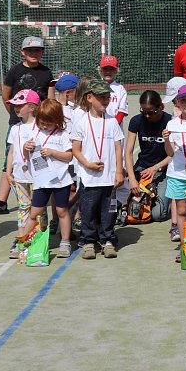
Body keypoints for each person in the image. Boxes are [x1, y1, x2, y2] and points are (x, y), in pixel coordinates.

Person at [0, 36, 53, 217]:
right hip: (18, 123)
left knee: (39, 159)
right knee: (12, 159)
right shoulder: (14, 71)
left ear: (42, 52)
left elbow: (49, 99)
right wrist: (16, 116)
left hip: (40, 124)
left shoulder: (46, 72)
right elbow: (6, 95)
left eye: (37, 50)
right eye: (30, 50)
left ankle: (39, 199)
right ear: (22, 52)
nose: (34, 53)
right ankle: (1, 202)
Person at [71, 79, 124, 260]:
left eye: (108, 97)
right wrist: (86, 164)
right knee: (88, 210)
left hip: (109, 177)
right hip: (89, 177)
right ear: (90, 98)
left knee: (108, 210)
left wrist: (118, 171)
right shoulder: (81, 123)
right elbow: (75, 150)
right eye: (102, 97)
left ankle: (108, 239)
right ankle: (88, 241)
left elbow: (118, 148)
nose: (106, 101)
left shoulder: (111, 122)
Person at [17, 99, 75, 258]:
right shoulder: (34, 133)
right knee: (34, 212)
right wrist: (25, 147)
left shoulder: (63, 135)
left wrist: (52, 152)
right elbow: (25, 153)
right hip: (41, 181)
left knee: (61, 211)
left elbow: (69, 156)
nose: (44, 126)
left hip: (61, 179)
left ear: (58, 121)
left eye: (48, 123)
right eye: (41, 122)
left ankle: (65, 241)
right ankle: (24, 241)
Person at [162, 84, 186, 261]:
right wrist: (166, 140)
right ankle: (185, 245)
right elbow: (170, 153)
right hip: (177, 173)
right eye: (183, 100)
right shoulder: (171, 124)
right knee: (182, 209)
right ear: (177, 102)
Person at [125, 90, 173, 232]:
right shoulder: (136, 121)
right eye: (143, 111)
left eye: (151, 112)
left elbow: (173, 154)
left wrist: (156, 168)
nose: (147, 116)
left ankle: (169, 201)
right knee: (130, 208)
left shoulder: (170, 122)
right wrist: (132, 179)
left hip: (163, 170)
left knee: (158, 215)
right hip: (142, 168)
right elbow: (128, 152)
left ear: (161, 107)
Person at [4, 89, 40, 258]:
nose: (16, 108)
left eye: (20, 105)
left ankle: (39, 240)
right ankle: (22, 240)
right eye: (15, 105)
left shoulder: (39, 127)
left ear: (32, 107)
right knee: (23, 208)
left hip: (37, 176)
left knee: (39, 210)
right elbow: (11, 151)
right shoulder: (15, 128)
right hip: (19, 176)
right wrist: (9, 171)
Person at [99, 55, 129, 125]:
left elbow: (121, 112)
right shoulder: (95, 87)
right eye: (105, 69)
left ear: (116, 71)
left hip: (115, 128)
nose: (108, 72)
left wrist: (113, 126)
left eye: (111, 69)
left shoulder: (120, 89)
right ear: (100, 70)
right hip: (98, 127)